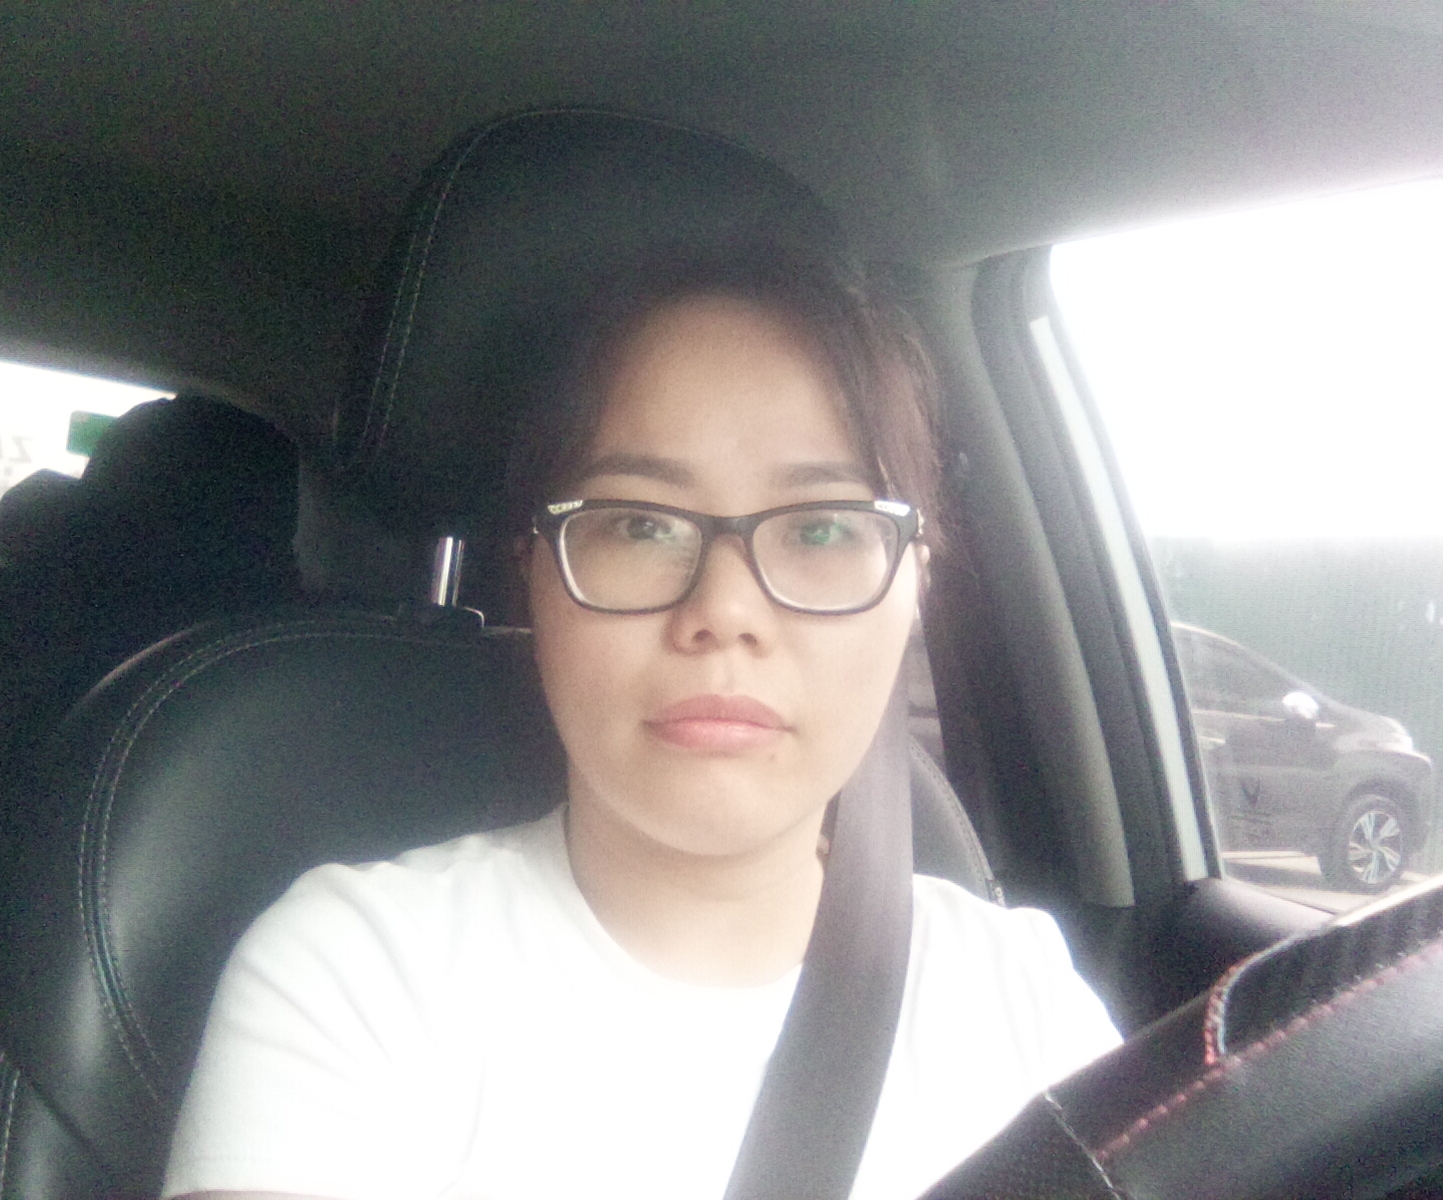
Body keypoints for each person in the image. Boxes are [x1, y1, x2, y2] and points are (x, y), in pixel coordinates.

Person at [162, 250, 1122, 1200]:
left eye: (821, 528)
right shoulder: (358, 977)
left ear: (915, 585)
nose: (725, 611)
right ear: (534, 575)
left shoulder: (1023, 1003)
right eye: (640, 524)